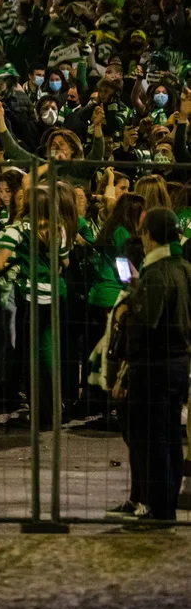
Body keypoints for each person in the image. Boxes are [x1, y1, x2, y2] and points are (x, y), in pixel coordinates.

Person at [116, 207, 191, 523]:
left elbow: (147, 323)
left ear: (149, 235)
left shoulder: (158, 273)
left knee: (153, 440)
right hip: (177, 364)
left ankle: (159, 510)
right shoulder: (183, 266)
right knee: (171, 436)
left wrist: (128, 309)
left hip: (154, 366)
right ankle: (166, 504)